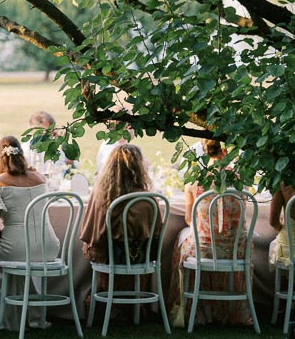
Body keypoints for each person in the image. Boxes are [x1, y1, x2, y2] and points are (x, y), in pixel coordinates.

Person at [169, 138, 253, 327]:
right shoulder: (239, 179)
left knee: (181, 242)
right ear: (224, 152)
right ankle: (231, 310)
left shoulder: (195, 179)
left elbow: (189, 219)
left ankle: (192, 309)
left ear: (203, 152)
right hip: (235, 249)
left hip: (205, 249)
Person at [0, 134, 58, 331]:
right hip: (48, 245)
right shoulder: (40, 178)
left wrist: (7, 238)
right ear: (22, 154)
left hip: (16, 246)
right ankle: (33, 314)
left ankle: (4, 315)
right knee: (24, 257)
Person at [79, 144, 155, 268]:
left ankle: (105, 286)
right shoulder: (146, 198)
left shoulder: (100, 192)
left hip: (104, 253)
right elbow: (155, 229)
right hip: (137, 254)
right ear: (139, 167)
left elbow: (90, 227)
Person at [269, 181, 294, 274]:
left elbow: (273, 221)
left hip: (289, 248)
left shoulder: (282, 182)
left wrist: (282, 229)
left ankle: (288, 285)